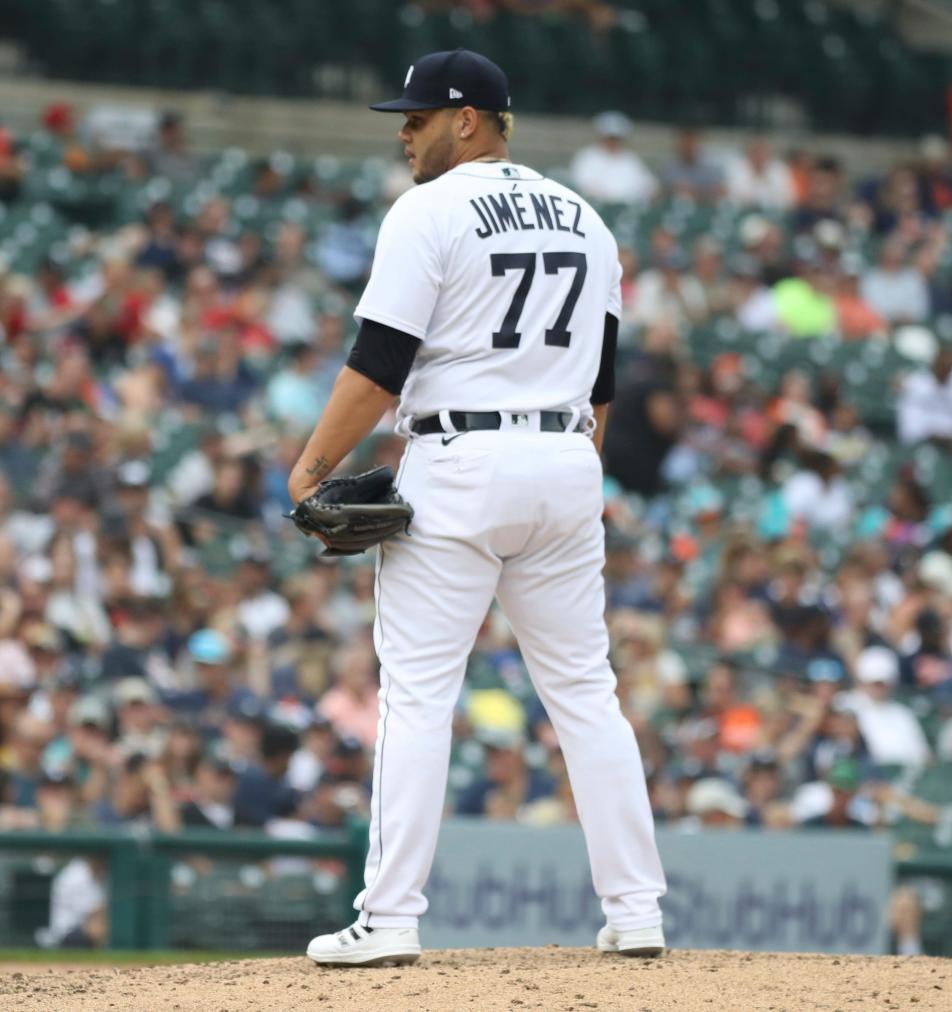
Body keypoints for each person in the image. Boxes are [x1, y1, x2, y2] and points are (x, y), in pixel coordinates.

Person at [287, 50, 666, 966]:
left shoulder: (428, 210)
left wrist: (309, 471)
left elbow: (379, 365)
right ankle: (638, 911)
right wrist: (562, 469)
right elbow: (602, 381)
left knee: (418, 697)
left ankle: (389, 918)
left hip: (459, 455)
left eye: (419, 116)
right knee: (586, 695)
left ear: (471, 120)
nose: (405, 131)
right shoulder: (587, 217)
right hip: (568, 456)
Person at [569, 112, 659, 206]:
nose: (613, 141)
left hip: (629, 210)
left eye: (617, 138)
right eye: (610, 137)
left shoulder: (630, 159)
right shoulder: (587, 156)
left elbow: (650, 186)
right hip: (597, 207)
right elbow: (582, 186)